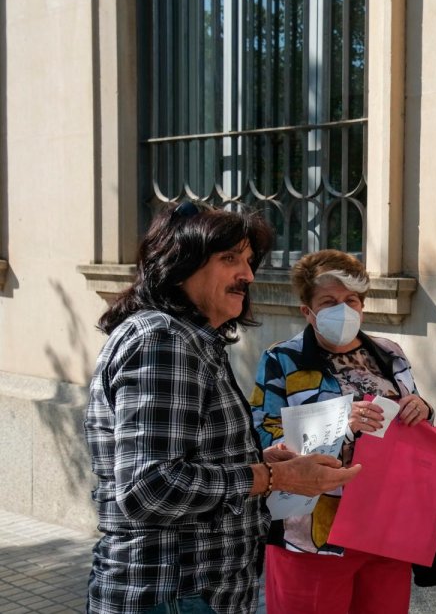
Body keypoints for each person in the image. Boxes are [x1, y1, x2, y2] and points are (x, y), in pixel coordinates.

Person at [85, 201, 362, 614]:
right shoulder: (164, 341)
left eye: (249, 260)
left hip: (197, 595)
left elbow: (185, 461)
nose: (247, 275)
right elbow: (149, 487)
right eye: (230, 258)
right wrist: (272, 475)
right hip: (173, 595)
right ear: (180, 262)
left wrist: (257, 460)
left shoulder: (191, 340)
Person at [251, 249, 434, 614]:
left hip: (386, 527)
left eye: (351, 300)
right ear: (308, 311)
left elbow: (414, 426)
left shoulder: (390, 353)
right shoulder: (281, 360)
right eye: (329, 301)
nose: (343, 309)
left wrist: (424, 409)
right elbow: (264, 440)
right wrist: (340, 424)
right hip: (311, 534)